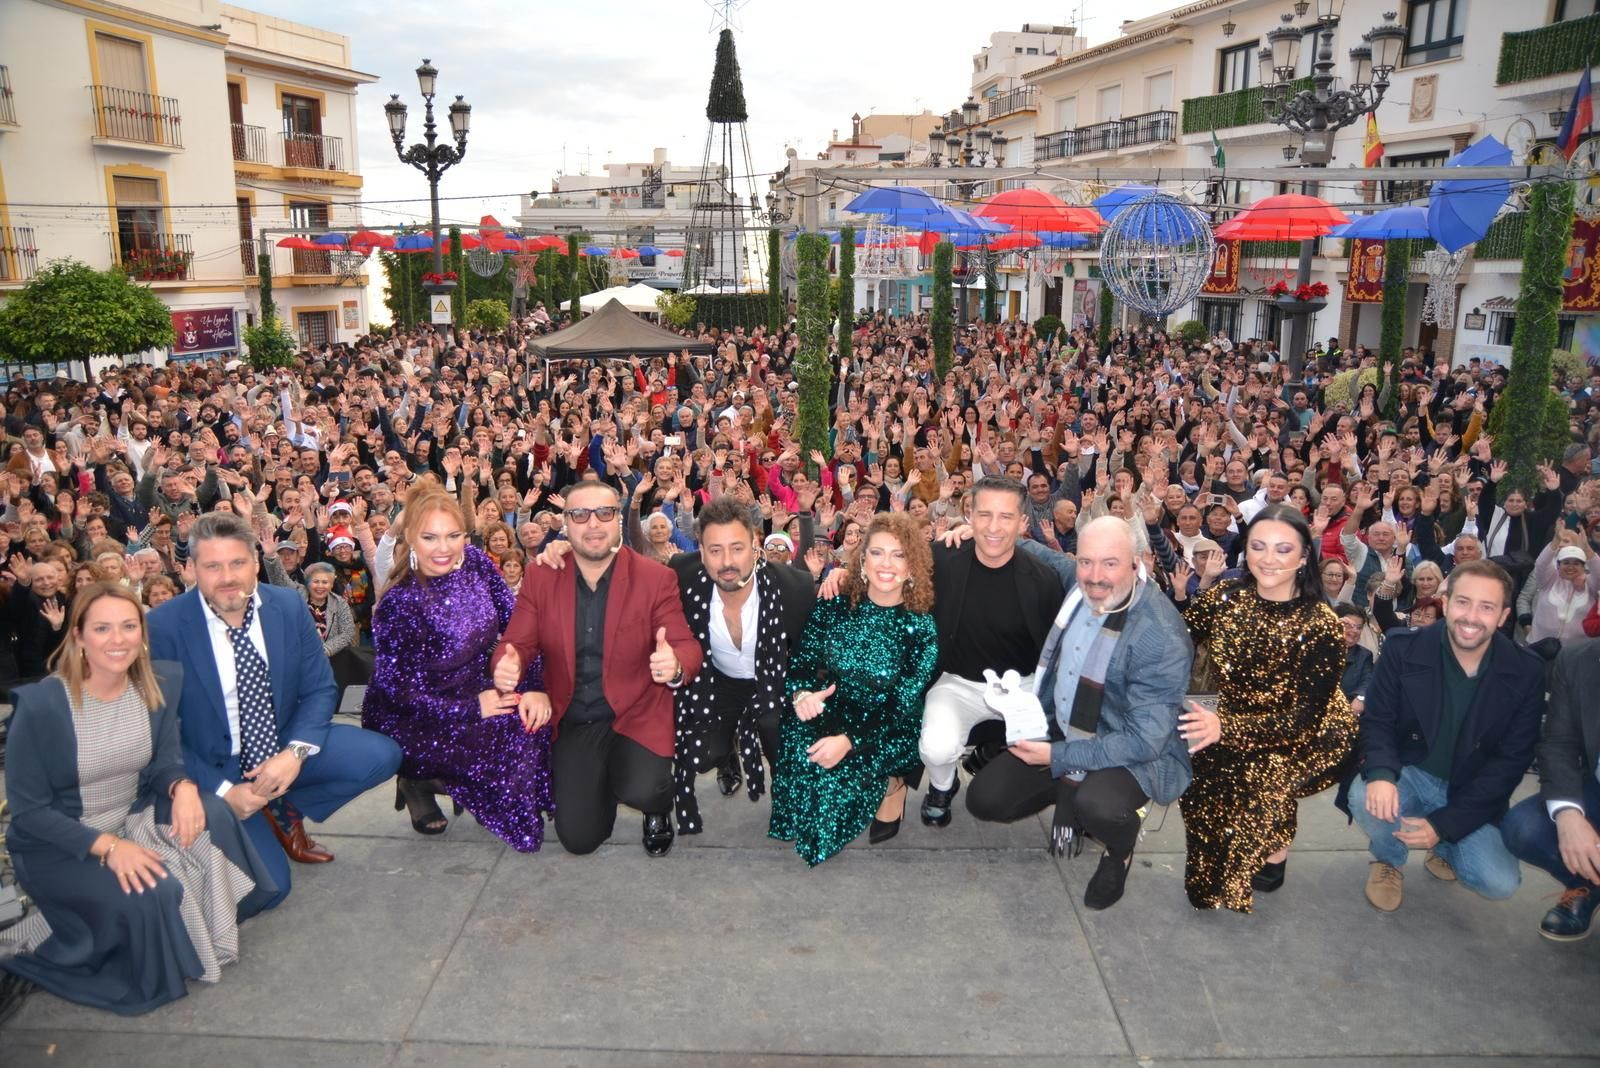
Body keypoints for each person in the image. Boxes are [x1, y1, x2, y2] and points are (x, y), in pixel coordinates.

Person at [1, 584, 276, 1013]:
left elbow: (164, 762)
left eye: (129, 626)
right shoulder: (42, 708)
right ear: (78, 636)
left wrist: (181, 786)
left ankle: (200, 925)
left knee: (213, 813)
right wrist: (110, 848)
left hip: (130, 815)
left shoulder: (156, 684)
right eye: (103, 628)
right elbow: (30, 814)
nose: (118, 639)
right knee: (155, 891)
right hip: (58, 846)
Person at [147, 513, 401, 912]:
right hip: (217, 767)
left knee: (381, 755)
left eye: (238, 563)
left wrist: (294, 755)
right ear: (191, 568)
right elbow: (161, 733)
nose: (228, 577)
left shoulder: (286, 606)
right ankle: (257, 815)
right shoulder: (161, 626)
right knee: (268, 891)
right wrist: (226, 793)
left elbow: (319, 689)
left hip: (281, 745)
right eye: (212, 566)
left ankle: (285, 806)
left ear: (255, 562)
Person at [965, 516, 1193, 910]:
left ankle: (1118, 847)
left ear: (1137, 562)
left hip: (1131, 750)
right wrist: (979, 533)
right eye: (1086, 562)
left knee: (1099, 806)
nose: (1094, 575)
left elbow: (1143, 741)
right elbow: (1041, 554)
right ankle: (1071, 789)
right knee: (985, 800)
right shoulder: (1078, 586)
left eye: (1109, 563)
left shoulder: (1160, 635)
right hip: (1064, 726)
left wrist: (1057, 758)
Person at [492, 480, 701, 857]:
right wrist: (509, 665)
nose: (593, 524)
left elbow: (686, 646)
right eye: (579, 514)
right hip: (575, 718)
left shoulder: (655, 578)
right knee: (579, 839)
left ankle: (655, 808)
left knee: (645, 787)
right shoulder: (542, 575)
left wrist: (674, 666)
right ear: (565, 523)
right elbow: (516, 643)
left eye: (604, 513)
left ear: (618, 519)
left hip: (637, 713)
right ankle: (596, 783)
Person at [1178, 504, 1357, 912]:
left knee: (1265, 780)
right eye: (1258, 546)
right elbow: (1178, 635)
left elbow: (1302, 720)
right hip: (1220, 719)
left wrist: (1228, 728)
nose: (1268, 558)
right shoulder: (1225, 596)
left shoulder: (1321, 625)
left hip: (1297, 734)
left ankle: (1274, 845)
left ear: (1304, 556)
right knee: (1203, 889)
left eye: (1282, 549)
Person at [1340, 559, 1545, 913]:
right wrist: (1383, 774)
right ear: (1446, 603)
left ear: (1503, 616)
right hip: (1412, 771)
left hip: (1470, 787)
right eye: (1463, 602)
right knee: (1365, 792)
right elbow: (1379, 721)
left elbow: (1511, 763)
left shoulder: (1526, 671)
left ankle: (1446, 845)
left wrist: (1445, 825)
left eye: (1487, 607)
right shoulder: (1403, 649)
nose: (1471, 616)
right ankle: (1389, 859)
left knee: (1499, 883)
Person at [363, 486, 553, 849]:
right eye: (430, 537)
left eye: (453, 535)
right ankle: (419, 775)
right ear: (410, 538)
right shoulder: (399, 602)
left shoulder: (476, 562)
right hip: (416, 715)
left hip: (475, 683)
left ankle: (453, 779)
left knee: (533, 719)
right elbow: (395, 690)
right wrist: (469, 708)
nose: (444, 548)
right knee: (503, 738)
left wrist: (533, 685)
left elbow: (517, 624)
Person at [769, 513, 940, 865]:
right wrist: (803, 696)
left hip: (887, 725)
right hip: (835, 706)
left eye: (899, 554)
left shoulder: (921, 628)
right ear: (862, 560)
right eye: (877, 553)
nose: (887, 564)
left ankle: (893, 783)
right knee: (796, 738)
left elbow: (900, 703)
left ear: (913, 565)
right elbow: (800, 663)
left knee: (828, 796)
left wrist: (848, 741)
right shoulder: (835, 603)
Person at [668, 496, 815, 834]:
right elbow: (625, 569)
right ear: (701, 552)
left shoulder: (793, 587)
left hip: (772, 683)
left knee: (778, 735)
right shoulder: (681, 575)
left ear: (755, 546)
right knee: (701, 754)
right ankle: (726, 752)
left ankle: (787, 795)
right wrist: (562, 554)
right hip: (716, 684)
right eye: (715, 550)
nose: (727, 562)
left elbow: (812, 651)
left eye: (737, 548)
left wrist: (804, 692)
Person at [1501, 635, 1600, 940]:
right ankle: (1590, 884)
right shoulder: (1577, 659)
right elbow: (1559, 742)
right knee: (1524, 828)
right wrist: (1569, 814)